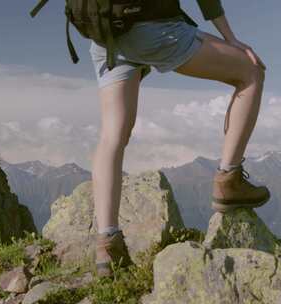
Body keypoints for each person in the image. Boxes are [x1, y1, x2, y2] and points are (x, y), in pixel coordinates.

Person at [90, 0, 271, 278]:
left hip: (104, 33)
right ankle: (229, 180)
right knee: (250, 71)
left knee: (112, 134)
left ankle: (107, 245)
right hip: (154, 30)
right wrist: (230, 38)